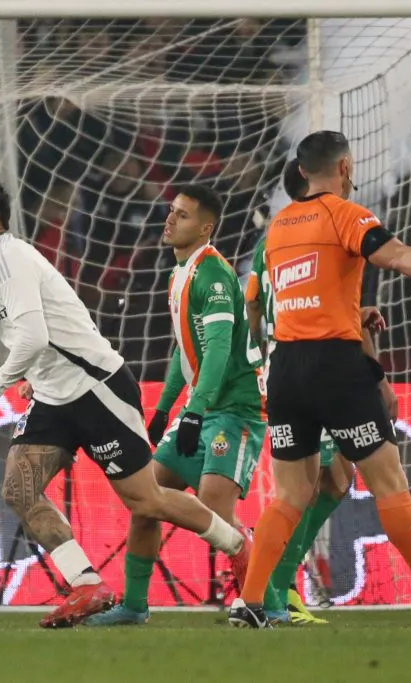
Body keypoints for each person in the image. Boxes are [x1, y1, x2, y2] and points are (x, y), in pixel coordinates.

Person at [0, 176, 251, 629]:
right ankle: (87, 584)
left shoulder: (9, 258)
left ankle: (238, 544)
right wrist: (32, 375)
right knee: (19, 490)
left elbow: (33, 336)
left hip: (96, 388)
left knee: (146, 501)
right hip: (54, 393)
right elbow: (35, 336)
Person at [229, 130, 411, 628]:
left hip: (286, 367)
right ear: (346, 167)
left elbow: (272, 300)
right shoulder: (345, 214)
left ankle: (249, 603)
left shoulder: (278, 227)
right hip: (336, 365)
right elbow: (394, 255)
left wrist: (348, 310)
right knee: (388, 481)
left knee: (290, 493)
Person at [86, 183, 263, 627]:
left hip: (235, 410)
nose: (170, 219)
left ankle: (267, 595)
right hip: (199, 409)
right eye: (171, 211)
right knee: (145, 500)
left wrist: (196, 410)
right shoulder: (179, 273)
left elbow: (219, 352)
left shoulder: (214, 275)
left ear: (206, 227)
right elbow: (186, 350)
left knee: (214, 510)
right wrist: (165, 408)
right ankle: (135, 606)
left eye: (182, 215)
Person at [246, 160, 391, 625]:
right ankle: (277, 587)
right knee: (308, 487)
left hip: (285, 365)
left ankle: (277, 585)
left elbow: (253, 300)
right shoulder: (314, 232)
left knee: (332, 481)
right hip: (308, 366)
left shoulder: (272, 240)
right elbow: (257, 303)